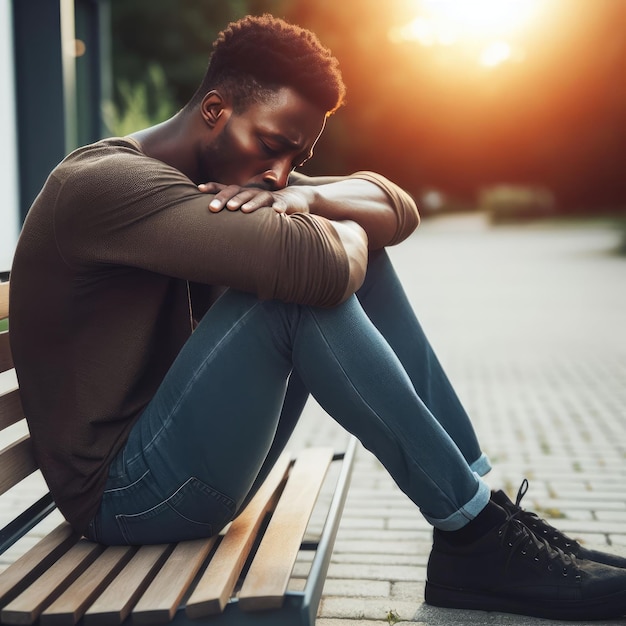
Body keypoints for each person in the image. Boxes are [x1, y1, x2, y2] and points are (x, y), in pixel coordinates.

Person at [9, 14, 626, 622]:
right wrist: (332, 226)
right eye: (274, 147)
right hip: (126, 500)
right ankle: (476, 533)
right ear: (215, 110)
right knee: (293, 295)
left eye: (296, 156)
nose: (278, 172)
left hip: (182, 466)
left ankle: (484, 509)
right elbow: (319, 267)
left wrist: (311, 196)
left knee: (348, 258)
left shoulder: (233, 169)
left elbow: (395, 206)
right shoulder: (107, 186)